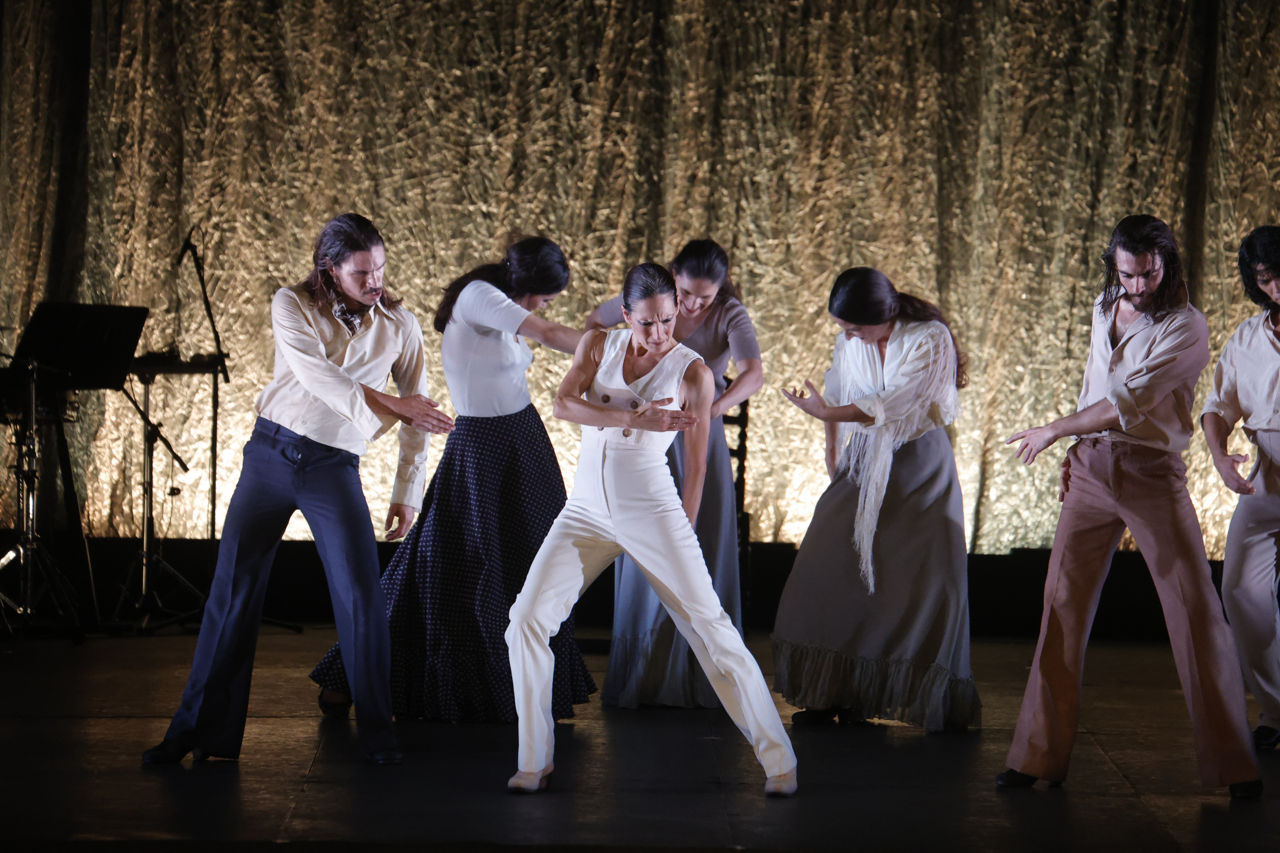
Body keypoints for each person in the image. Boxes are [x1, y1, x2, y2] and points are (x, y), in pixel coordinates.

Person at [142, 213, 453, 766]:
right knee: (231, 596)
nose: (375, 281)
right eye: (361, 272)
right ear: (330, 269)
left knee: (361, 598)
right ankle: (193, 733)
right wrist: (391, 404)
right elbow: (316, 376)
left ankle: (379, 737)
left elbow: (419, 415)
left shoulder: (400, 326)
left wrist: (407, 493)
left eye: (380, 268)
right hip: (269, 457)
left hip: (334, 467)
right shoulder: (291, 303)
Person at [504, 263, 798, 796]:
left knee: (712, 633)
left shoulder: (692, 374)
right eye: (647, 323)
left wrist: (680, 531)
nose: (660, 333)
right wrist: (633, 419)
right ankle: (534, 758)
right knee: (524, 619)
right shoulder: (597, 346)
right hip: (586, 512)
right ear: (626, 315)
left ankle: (779, 761)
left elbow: (698, 463)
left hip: (653, 512)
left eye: (668, 320)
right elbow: (563, 404)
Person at [997, 214, 1262, 797]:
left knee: (1195, 610)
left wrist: (1053, 430)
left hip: (1150, 472)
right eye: (1127, 275)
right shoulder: (1104, 304)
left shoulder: (1187, 327)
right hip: (1091, 467)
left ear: (1165, 263)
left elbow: (1124, 402)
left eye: (1148, 274)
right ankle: (1035, 757)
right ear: (1113, 267)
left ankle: (1233, 765)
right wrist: (1077, 448)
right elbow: (1096, 383)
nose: (1137, 287)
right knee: (1060, 607)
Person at [309, 237, 596, 722]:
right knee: (441, 566)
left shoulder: (498, 300)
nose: (546, 307)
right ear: (526, 286)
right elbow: (547, 332)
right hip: (482, 444)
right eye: (544, 297)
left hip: (522, 439)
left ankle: (527, 688)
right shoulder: (481, 296)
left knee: (536, 563)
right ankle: (354, 674)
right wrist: (618, 346)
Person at [771, 267, 980, 732]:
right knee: (829, 561)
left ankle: (919, 691)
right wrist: (831, 451)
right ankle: (833, 690)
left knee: (922, 579)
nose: (848, 336)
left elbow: (896, 401)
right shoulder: (852, 343)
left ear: (883, 315)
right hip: (864, 461)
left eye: (854, 328)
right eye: (843, 328)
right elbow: (837, 392)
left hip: (919, 463)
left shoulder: (930, 337)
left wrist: (829, 410)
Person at [585, 239, 763, 708]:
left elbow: (753, 375)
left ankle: (708, 676)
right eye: (686, 293)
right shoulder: (653, 303)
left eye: (704, 298)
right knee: (643, 541)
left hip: (695, 435)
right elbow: (594, 327)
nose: (691, 305)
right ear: (673, 278)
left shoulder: (730, 314)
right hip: (644, 435)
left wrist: (709, 410)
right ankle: (645, 673)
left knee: (695, 545)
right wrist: (619, 393)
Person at [1201, 224, 1280, 754]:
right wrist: (1222, 465)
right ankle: (1275, 711)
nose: (1279, 289)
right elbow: (1216, 408)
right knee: (1241, 592)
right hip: (1268, 480)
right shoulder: (1247, 340)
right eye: (1269, 281)